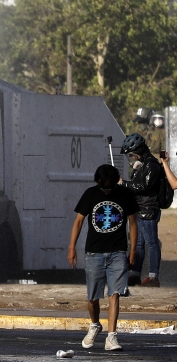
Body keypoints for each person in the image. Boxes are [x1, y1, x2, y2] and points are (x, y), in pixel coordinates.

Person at [68, 163, 139, 352]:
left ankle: (112, 336)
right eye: (102, 186)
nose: (105, 190)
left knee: (114, 294)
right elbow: (79, 221)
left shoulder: (125, 195)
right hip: (94, 252)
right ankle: (95, 325)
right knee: (92, 298)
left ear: (115, 182)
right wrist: (71, 247)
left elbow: (133, 224)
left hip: (117, 252)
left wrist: (132, 251)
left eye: (108, 186)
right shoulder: (91, 194)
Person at [119, 133, 163, 287]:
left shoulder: (152, 165)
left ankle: (153, 276)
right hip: (139, 208)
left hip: (148, 209)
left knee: (152, 243)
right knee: (138, 244)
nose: (131, 158)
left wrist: (123, 183)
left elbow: (143, 186)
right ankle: (135, 274)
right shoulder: (141, 166)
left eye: (131, 155)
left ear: (138, 152)